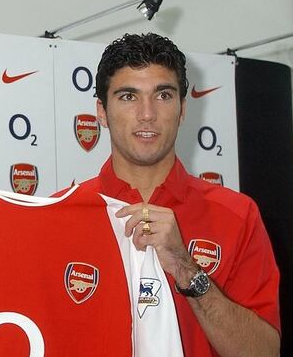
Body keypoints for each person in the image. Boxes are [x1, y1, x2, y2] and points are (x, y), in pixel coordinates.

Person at [83, 32, 280, 357]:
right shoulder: (60, 215)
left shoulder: (237, 214)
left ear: (183, 109)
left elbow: (263, 352)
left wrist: (186, 268)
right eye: (128, 97)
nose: (147, 113)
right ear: (101, 112)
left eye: (163, 95)